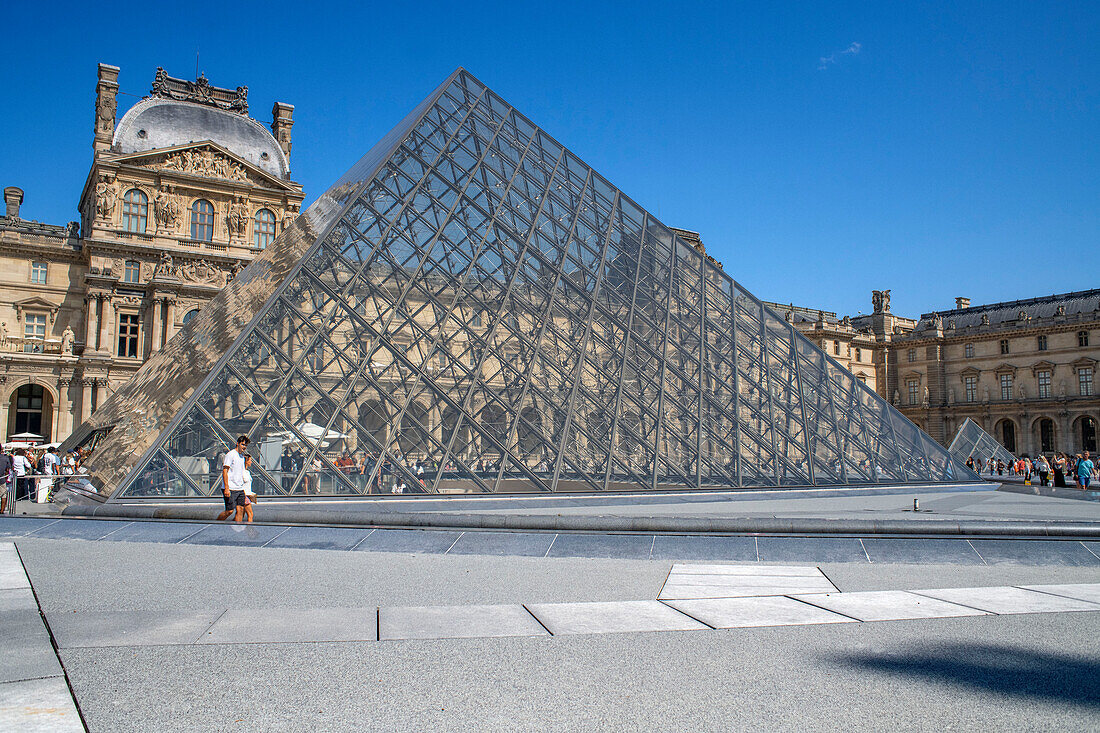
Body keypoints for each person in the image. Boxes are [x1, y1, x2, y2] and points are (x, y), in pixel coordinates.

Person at [217, 435, 250, 522]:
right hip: (230, 488)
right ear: (237, 443)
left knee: (240, 510)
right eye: (243, 444)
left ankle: (237, 529)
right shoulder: (230, 455)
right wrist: (227, 488)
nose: (244, 447)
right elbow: (225, 471)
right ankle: (215, 524)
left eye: (246, 445)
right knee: (229, 511)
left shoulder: (242, 457)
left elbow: (241, 472)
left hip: (239, 488)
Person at [242, 454, 257, 523]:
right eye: (250, 460)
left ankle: (232, 526)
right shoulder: (240, 472)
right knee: (250, 514)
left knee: (241, 514)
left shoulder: (247, 472)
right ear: (246, 461)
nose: (251, 462)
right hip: (243, 495)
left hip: (247, 495)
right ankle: (250, 530)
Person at [0, 448, 11, 514]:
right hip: (2, 478)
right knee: (3, 494)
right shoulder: (5, 458)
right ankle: (2, 510)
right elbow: (8, 468)